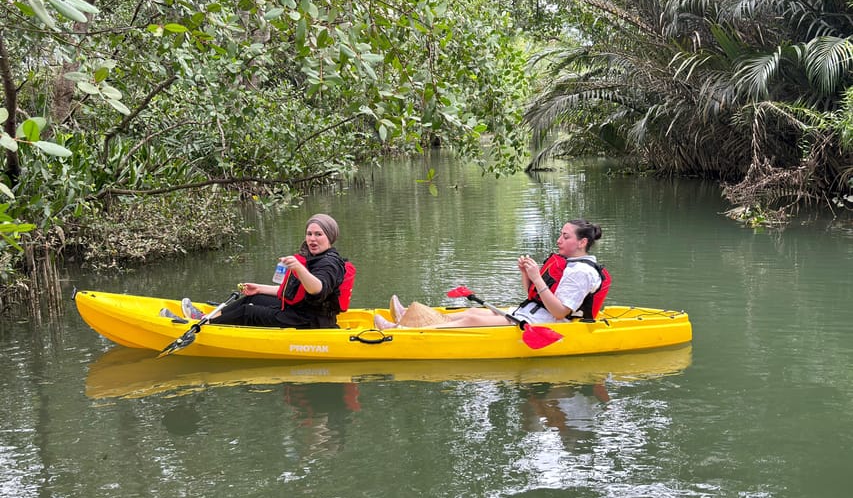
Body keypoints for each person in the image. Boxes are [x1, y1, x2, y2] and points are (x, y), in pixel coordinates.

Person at [375, 219, 608, 329]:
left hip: (550, 324)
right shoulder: (569, 264)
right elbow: (535, 295)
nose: (559, 240)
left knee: (473, 320)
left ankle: (402, 332)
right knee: (474, 311)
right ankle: (409, 316)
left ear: (582, 242)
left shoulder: (582, 272)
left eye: (566, 237)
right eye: (561, 234)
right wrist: (526, 275)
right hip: (533, 313)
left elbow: (559, 312)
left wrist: (537, 277)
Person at [183, 214, 349, 329]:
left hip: (310, 320)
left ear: (330, 237)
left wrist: (298, 268)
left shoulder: (330, 264)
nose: (312, 239)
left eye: (318, 234)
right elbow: (295, 292)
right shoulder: (314, 256)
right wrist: (260, 288)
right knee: (253, 297)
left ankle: (206, 327)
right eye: (309, 234)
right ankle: (210, 317)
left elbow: (317, 289)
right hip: (300, 310)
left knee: (248, 312)